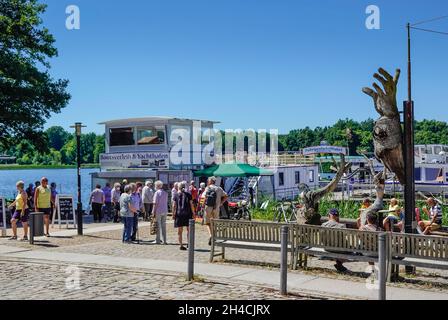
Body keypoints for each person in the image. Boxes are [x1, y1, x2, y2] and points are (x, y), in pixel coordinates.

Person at [202, 176, 228, 246]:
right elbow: (226, 196)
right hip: (216, 208)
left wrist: (202, 205)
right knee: (215, 222)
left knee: (207, 223)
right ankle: (214, 236)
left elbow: (203, 197)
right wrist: (221, 203)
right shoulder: (219, 188)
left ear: (210, 181)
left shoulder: (207, 188)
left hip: (208, 207)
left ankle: (211, 235)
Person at [322, 208, 348, 272]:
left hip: (327, 248)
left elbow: (322, 238)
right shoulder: (341, 226)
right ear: (338, 216)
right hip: (339, 249)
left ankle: (339, 264)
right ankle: (339, 263)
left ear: (329, 216)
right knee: (348, 248)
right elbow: (344, 237)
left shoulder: (323, 225)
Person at [173, 181, 195, 250]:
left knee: (180, 231)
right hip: (187, 213)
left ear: (178, 187)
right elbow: (191, 205)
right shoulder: (188, 194)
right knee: (189, 230)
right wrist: (193, 213)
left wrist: (173, 214)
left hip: (179, 214)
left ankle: (181, 245)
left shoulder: (176, 195)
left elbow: (174, 206)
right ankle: (189, 244)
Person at [152, 180, 168, 244]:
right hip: (165, 210)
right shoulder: (165, 193)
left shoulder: (157, 193)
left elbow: (155, 203)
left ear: (157, 186)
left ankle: (158, 240)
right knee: (163, 226)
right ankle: (164, 240)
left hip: (158, 210)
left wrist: (153, 211)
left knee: (158, 225)